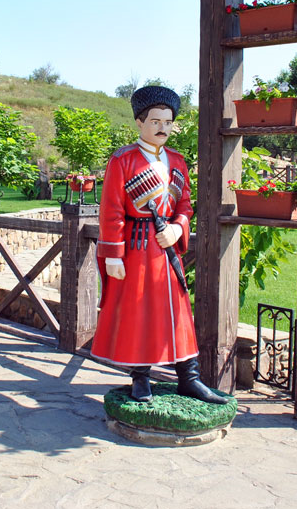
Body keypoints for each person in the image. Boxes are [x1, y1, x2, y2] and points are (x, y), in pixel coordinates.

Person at [91, 85, 228, 404]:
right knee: (139, 312)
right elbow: (110, 209)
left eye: (167, 122)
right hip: (137, 248)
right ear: (140, 123)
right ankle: (141, 377)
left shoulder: (178, 161)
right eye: (155, 121)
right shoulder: (122, 159)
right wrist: (114, 255)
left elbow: (185, 206)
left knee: (178, 313)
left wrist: (179, 229)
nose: (162, 128)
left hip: (167, 251)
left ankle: (189, 378)